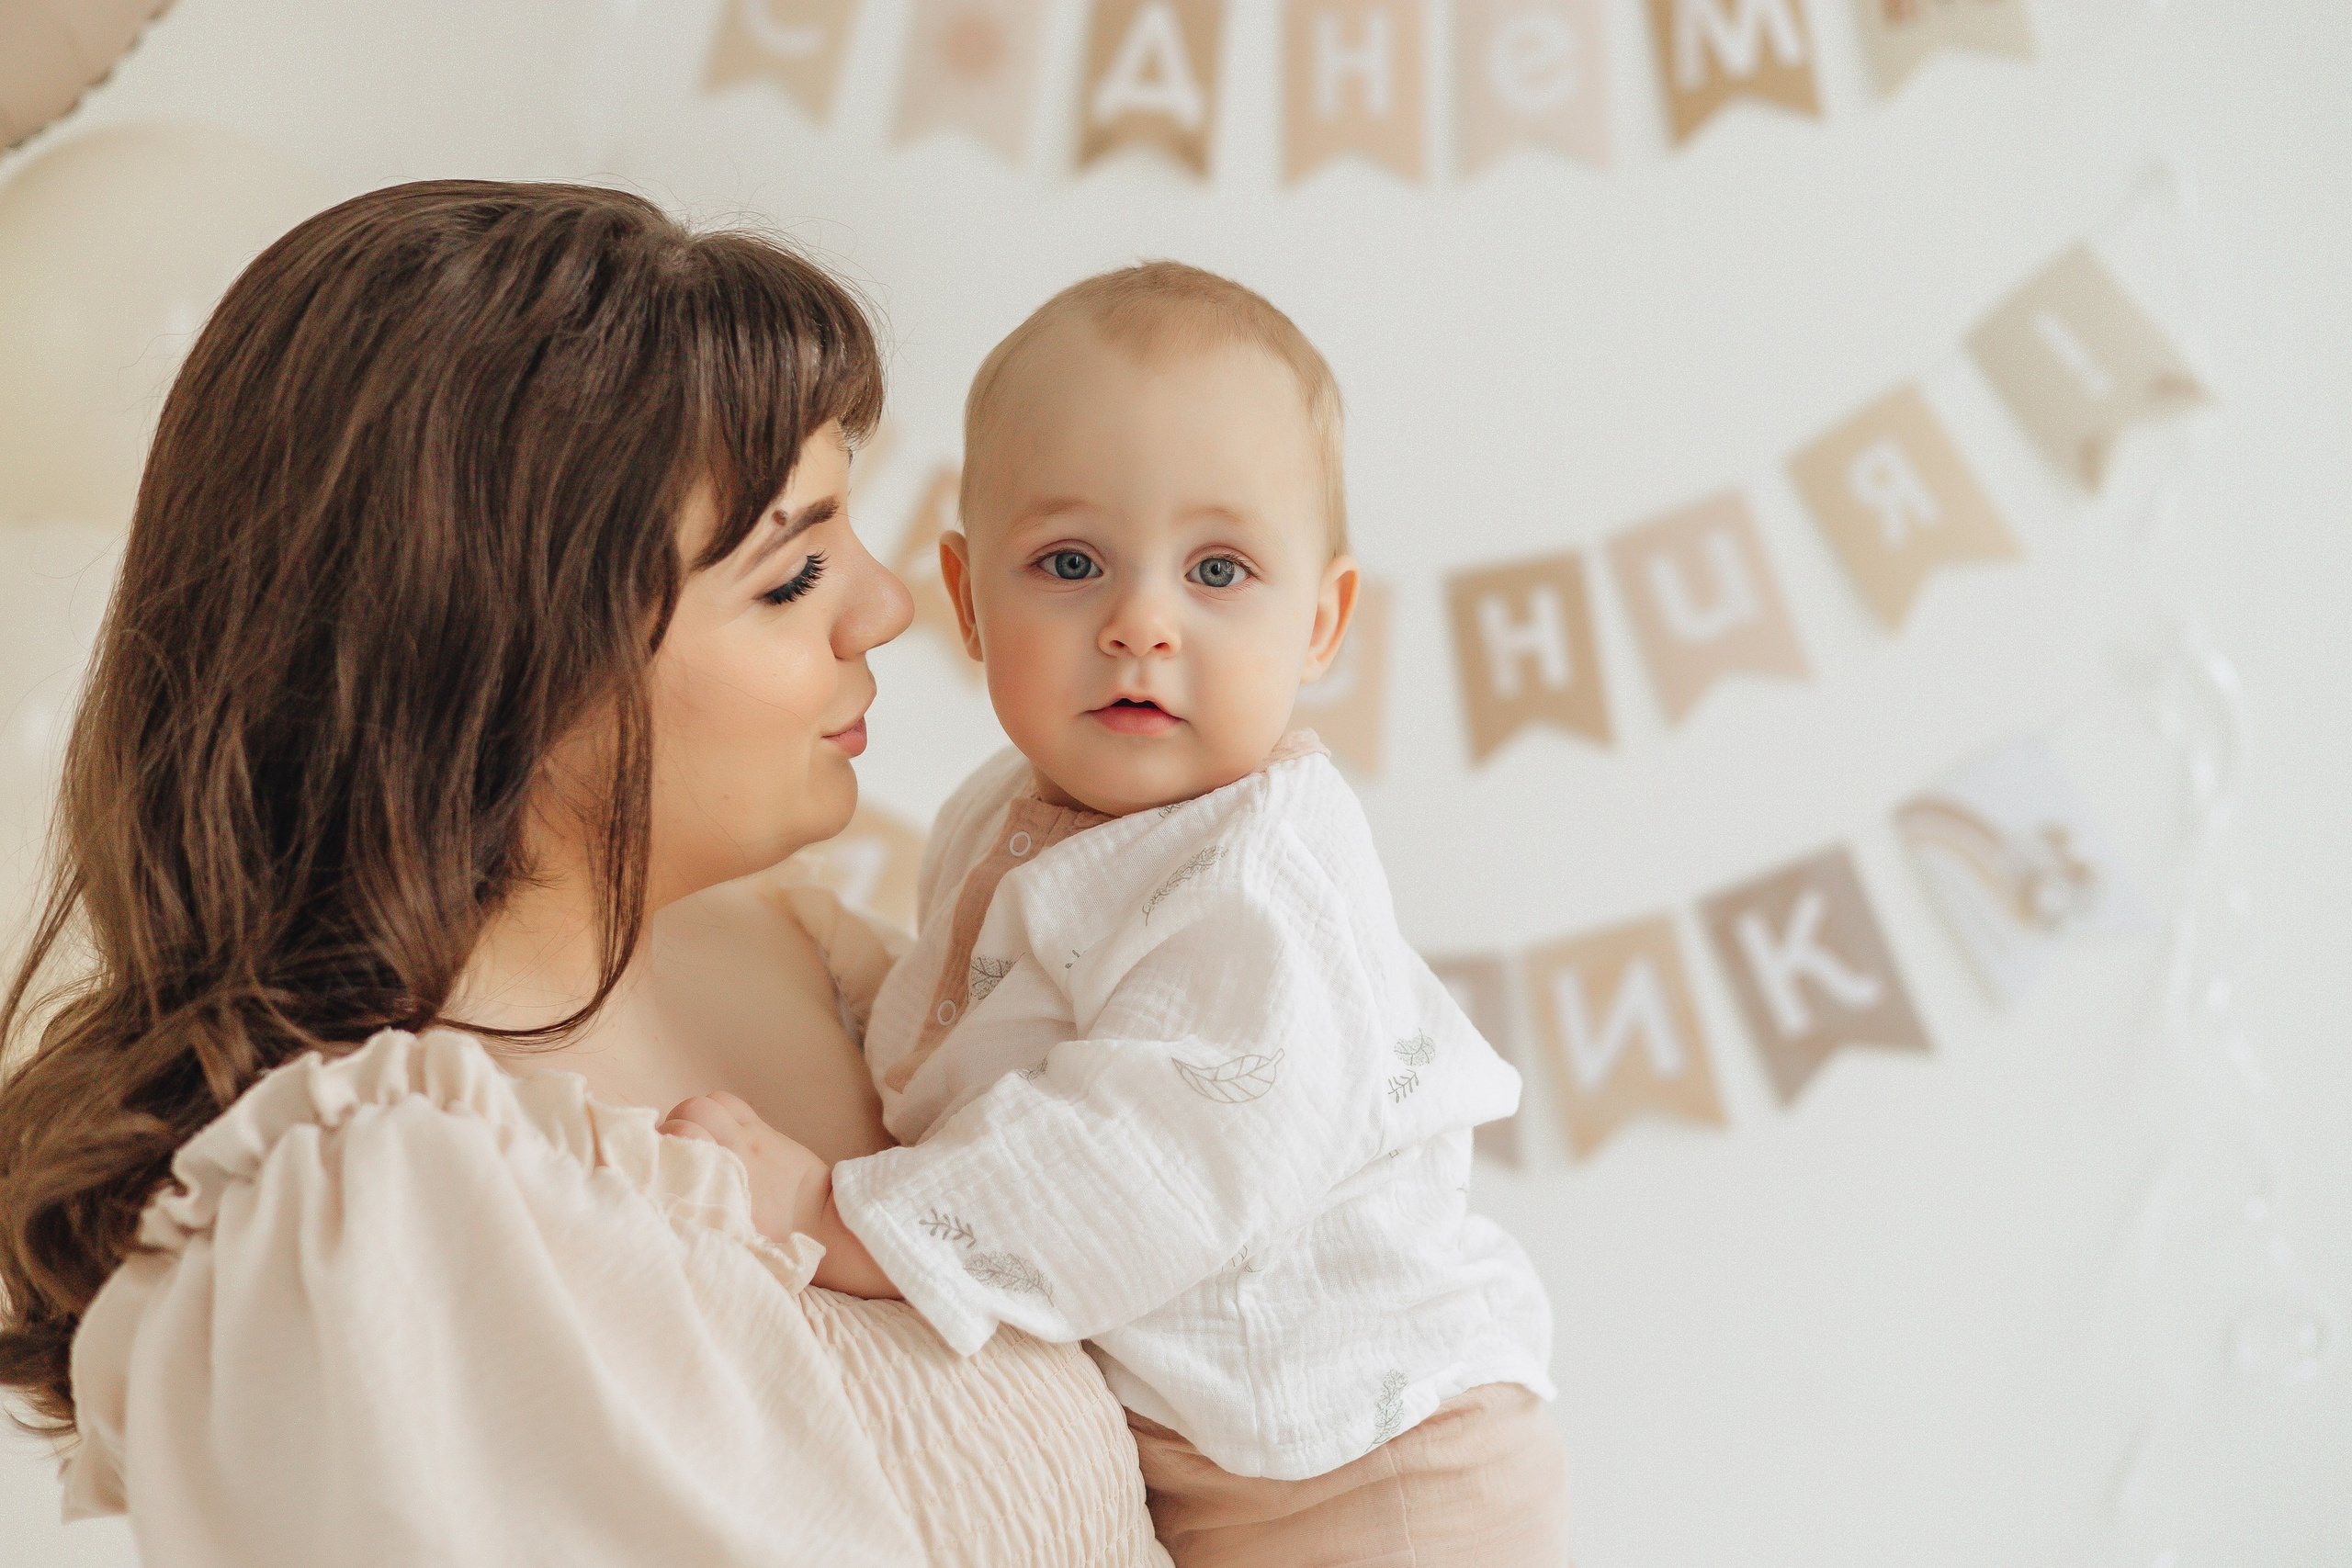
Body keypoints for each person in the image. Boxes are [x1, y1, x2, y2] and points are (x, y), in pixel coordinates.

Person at [0, 180, 1169, 1567]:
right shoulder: (368, 1221)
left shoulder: (828, 968)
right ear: (507, 658)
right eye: (791, 576)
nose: (888, 604)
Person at [666, 262, 1571, 1566]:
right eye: (1073, 562)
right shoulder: (1010, 809)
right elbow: (972, 1033)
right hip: (1217, 1448)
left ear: (1320, 622)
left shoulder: (1260, 879)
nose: (1141, 623)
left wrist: (841, 1221)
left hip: (1373, 1466)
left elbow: (1150, 1155)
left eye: (1219, 569)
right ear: (972, 603)